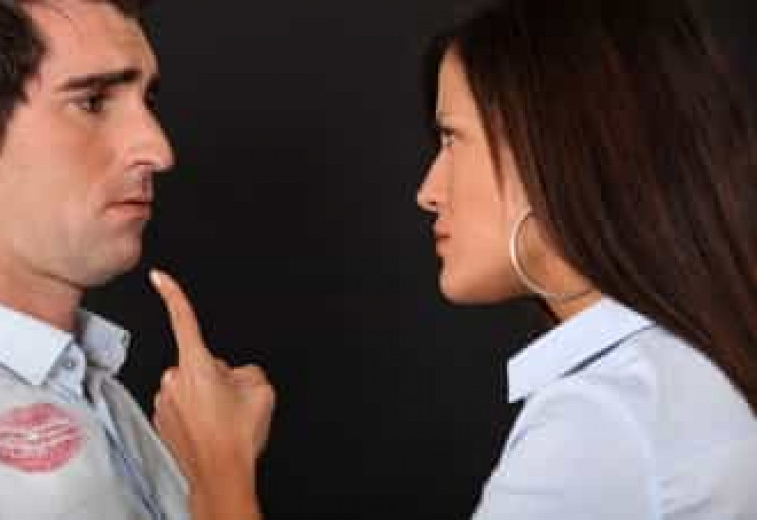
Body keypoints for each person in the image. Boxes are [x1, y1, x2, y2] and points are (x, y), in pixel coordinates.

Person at [152, 0, 757, 518]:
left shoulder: (603, 420)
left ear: (553, 148)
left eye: (451, 137)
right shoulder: (678, 373)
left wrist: (218, 474)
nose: (429, 190)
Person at [0, 0, 274, 518]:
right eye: (92, 101)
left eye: (148, 100)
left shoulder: (99, 390)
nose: (159, 149)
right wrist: (224, 481)